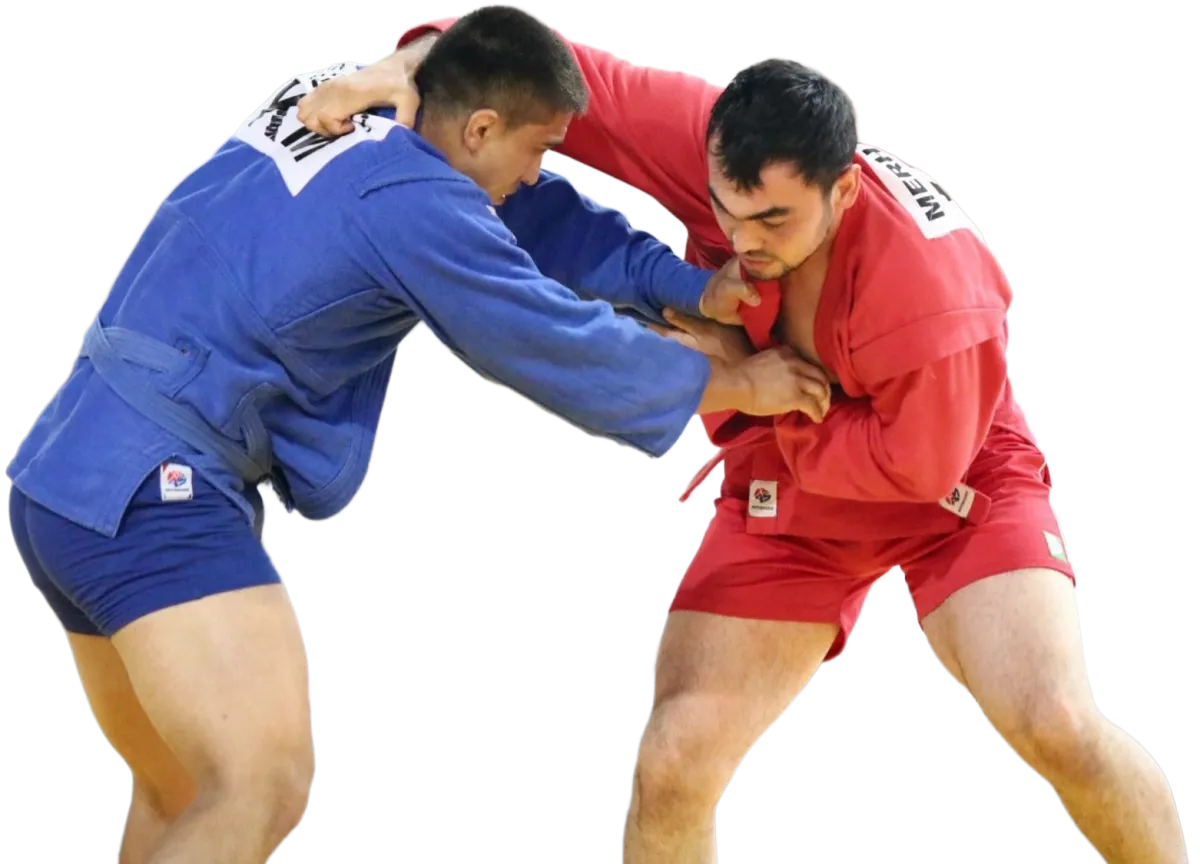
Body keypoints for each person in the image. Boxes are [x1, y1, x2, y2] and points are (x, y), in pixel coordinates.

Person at [300, 16, 1189, 864]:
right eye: (730, 211)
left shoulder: (936, 296)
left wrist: (750, 392)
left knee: (1060, 724)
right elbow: (526, 55)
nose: (743, 242)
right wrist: (402, 69)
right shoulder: (707, 137)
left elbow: (918, 469)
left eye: (775, 224)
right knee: (673, 765)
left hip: (953, 482)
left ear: (842, 188)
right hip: (798, 484)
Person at [4, 8, 833, 864]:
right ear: (480, 126)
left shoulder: (339, 101)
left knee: (181, 790)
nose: (542, 170)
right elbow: (547, 337)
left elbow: (535, 219)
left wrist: (684, 285)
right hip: (153, 487)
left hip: (67, 475)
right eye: (540, 148)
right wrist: (734, 381)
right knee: (259, 783)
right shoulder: (415, 206)